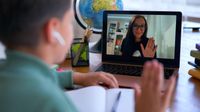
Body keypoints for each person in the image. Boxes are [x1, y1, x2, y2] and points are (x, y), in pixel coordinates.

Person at [0, 0, 176, 112]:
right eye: (68, 22)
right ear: (52, 30)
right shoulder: (52, 102)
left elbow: (37, 75)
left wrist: (79, 77)